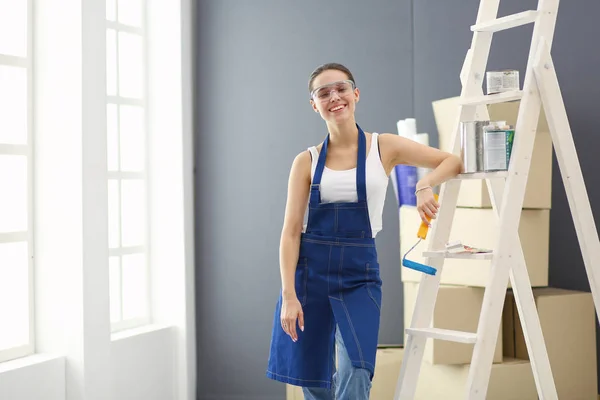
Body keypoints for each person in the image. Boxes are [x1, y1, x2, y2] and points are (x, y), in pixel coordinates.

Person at [266, 62, 463, 399]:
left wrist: (424, 185)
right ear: (314, 105)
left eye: (341, 88)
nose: (334, 97)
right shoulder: (307, 161)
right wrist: (289, 295)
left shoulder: (383, 147)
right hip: (309, 276)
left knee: (356, 369)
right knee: (311, 375)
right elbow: (290, 232)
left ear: (355, 94)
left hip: (359, 275)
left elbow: (452, 161)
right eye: (323, 93)